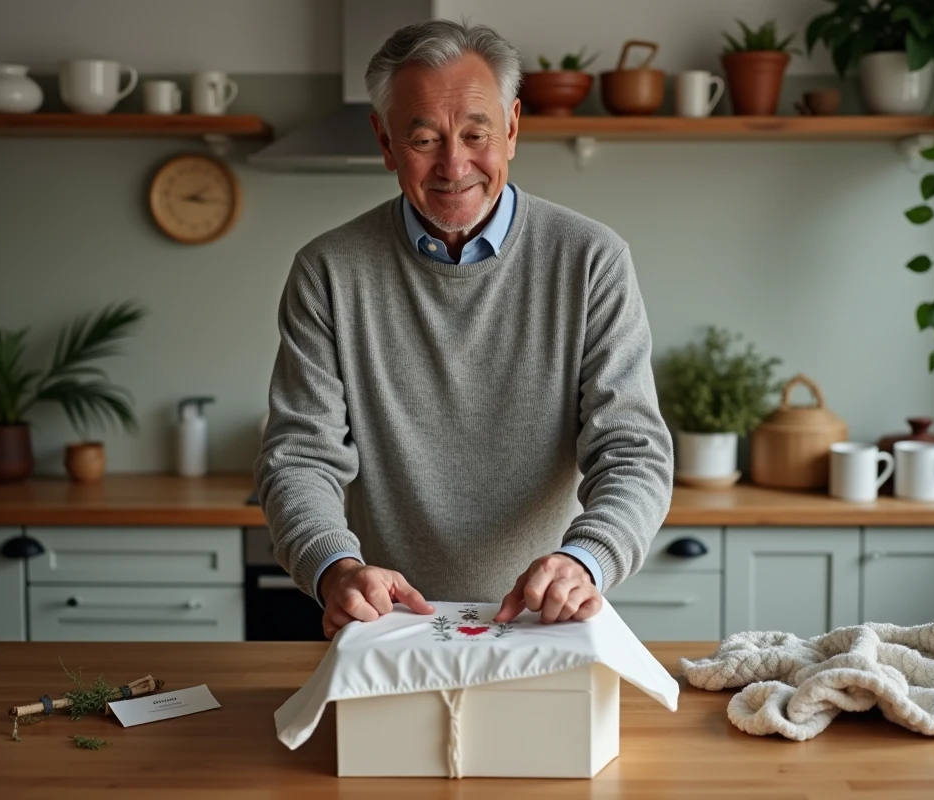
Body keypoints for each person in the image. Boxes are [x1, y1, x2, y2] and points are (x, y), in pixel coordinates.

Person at [254, 19, 673, 640]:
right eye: (423, 139)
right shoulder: (328, 272)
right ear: (386, 141)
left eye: (476, 134)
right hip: (390, 624)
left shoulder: (591, 260)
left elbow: (634, 450)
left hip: (542, 621)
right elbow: (299, 457)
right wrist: (335, 568)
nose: (454, 165)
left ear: (511, 128)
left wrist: (584, 559)